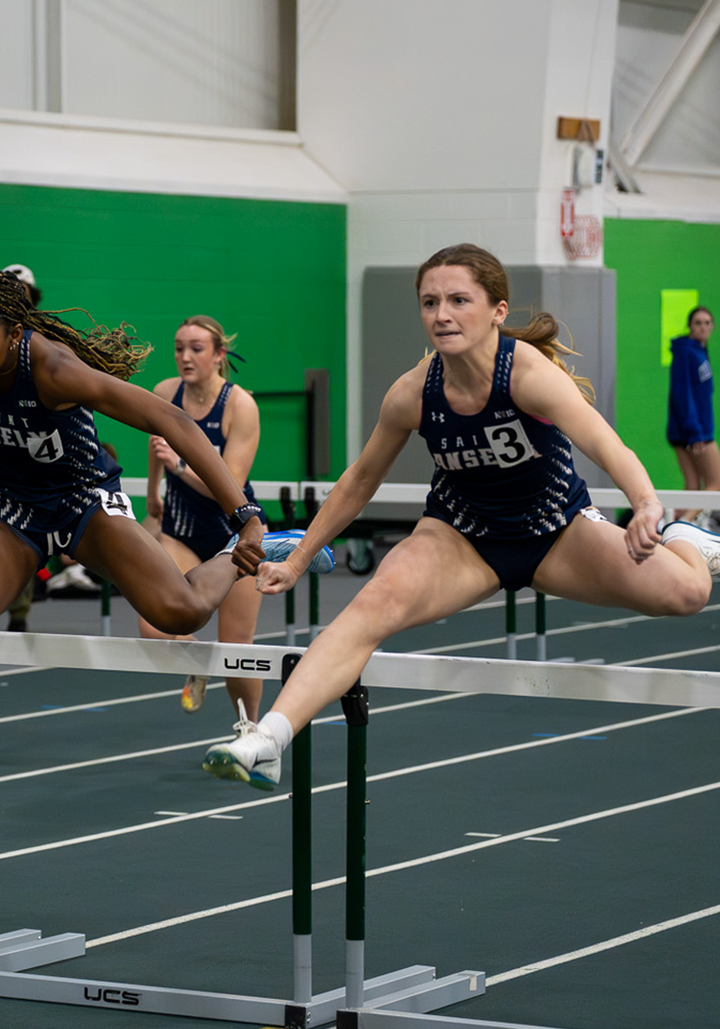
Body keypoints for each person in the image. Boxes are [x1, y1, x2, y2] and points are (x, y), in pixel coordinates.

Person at [205, 243, 720, 790]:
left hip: (556, 532)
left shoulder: (528, 375)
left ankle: (686, 538)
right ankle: (268, 739)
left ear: (497, 310)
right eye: (429, 302)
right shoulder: (413, 392)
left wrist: (645, 505)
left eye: (458, 300)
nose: (442, 314)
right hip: (461, 537)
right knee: (370, 608)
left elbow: (603, 442)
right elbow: (359, 481)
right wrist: (301, 557)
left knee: (686, 594)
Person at [0, 268, 283, 860]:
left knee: (180, 611)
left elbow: (170, 421)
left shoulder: (53, 369)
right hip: (6, 508)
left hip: (81, 501)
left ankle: (244, 554)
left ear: (15, 333)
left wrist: (245, 515)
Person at [141, 316, 265, 722]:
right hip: (180, 531)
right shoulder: (164, 393)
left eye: (196, 348)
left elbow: (230, 484)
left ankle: (249, 730)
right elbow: (156, 445)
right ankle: (195, 660)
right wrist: (154, 497)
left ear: (219, 355)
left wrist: (178, 466)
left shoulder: (240, 406)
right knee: (154, 625)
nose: (185, 357)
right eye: (179, 348)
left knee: (235, 647)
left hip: (235, 538)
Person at [668, 305, 717, 525]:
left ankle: (673, 524)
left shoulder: (698, 350)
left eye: (707, 323)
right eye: (698, 323)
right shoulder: (686, 352)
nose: (703, 327)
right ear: (689, 326)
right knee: (716, 484)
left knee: (692, 486)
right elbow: (682, 394)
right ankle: (682, 525)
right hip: (695, 431)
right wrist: (695, 433)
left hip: (691, 429)